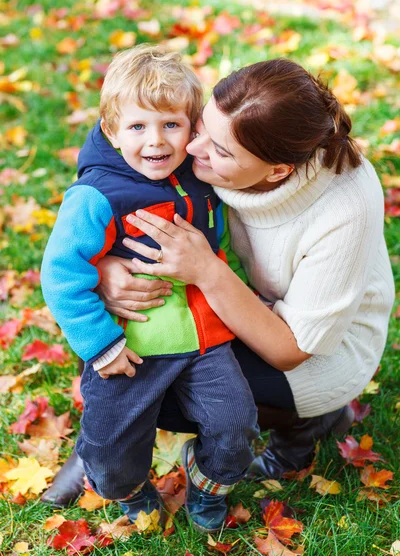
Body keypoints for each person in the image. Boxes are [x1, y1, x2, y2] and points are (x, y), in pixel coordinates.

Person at [41, 58, 394, 507]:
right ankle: (97, 453)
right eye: (200, 126)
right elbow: (113, 142)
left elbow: (292, 349)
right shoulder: (227, 123)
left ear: (277, 171)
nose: (190, 148)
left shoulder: (344, 207)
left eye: (220, 151)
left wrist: (207, 270)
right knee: (116, 327)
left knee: (167, 381)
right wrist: (109, 263)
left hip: (308, 349)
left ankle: (310, 421)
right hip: (221, 295)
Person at [40, 44, 259, 533]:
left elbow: (219, 247)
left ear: (193, 128)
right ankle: (129, 490)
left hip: (203, 340)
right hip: (130, 346)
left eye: (171, 125)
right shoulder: (98, 195)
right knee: (110, 448)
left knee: (236, 426)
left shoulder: (199, 179)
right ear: (112, 132)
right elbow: (60, 274)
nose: (156, 141)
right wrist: (102, 345)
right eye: (138, 126)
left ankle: (205, 482)